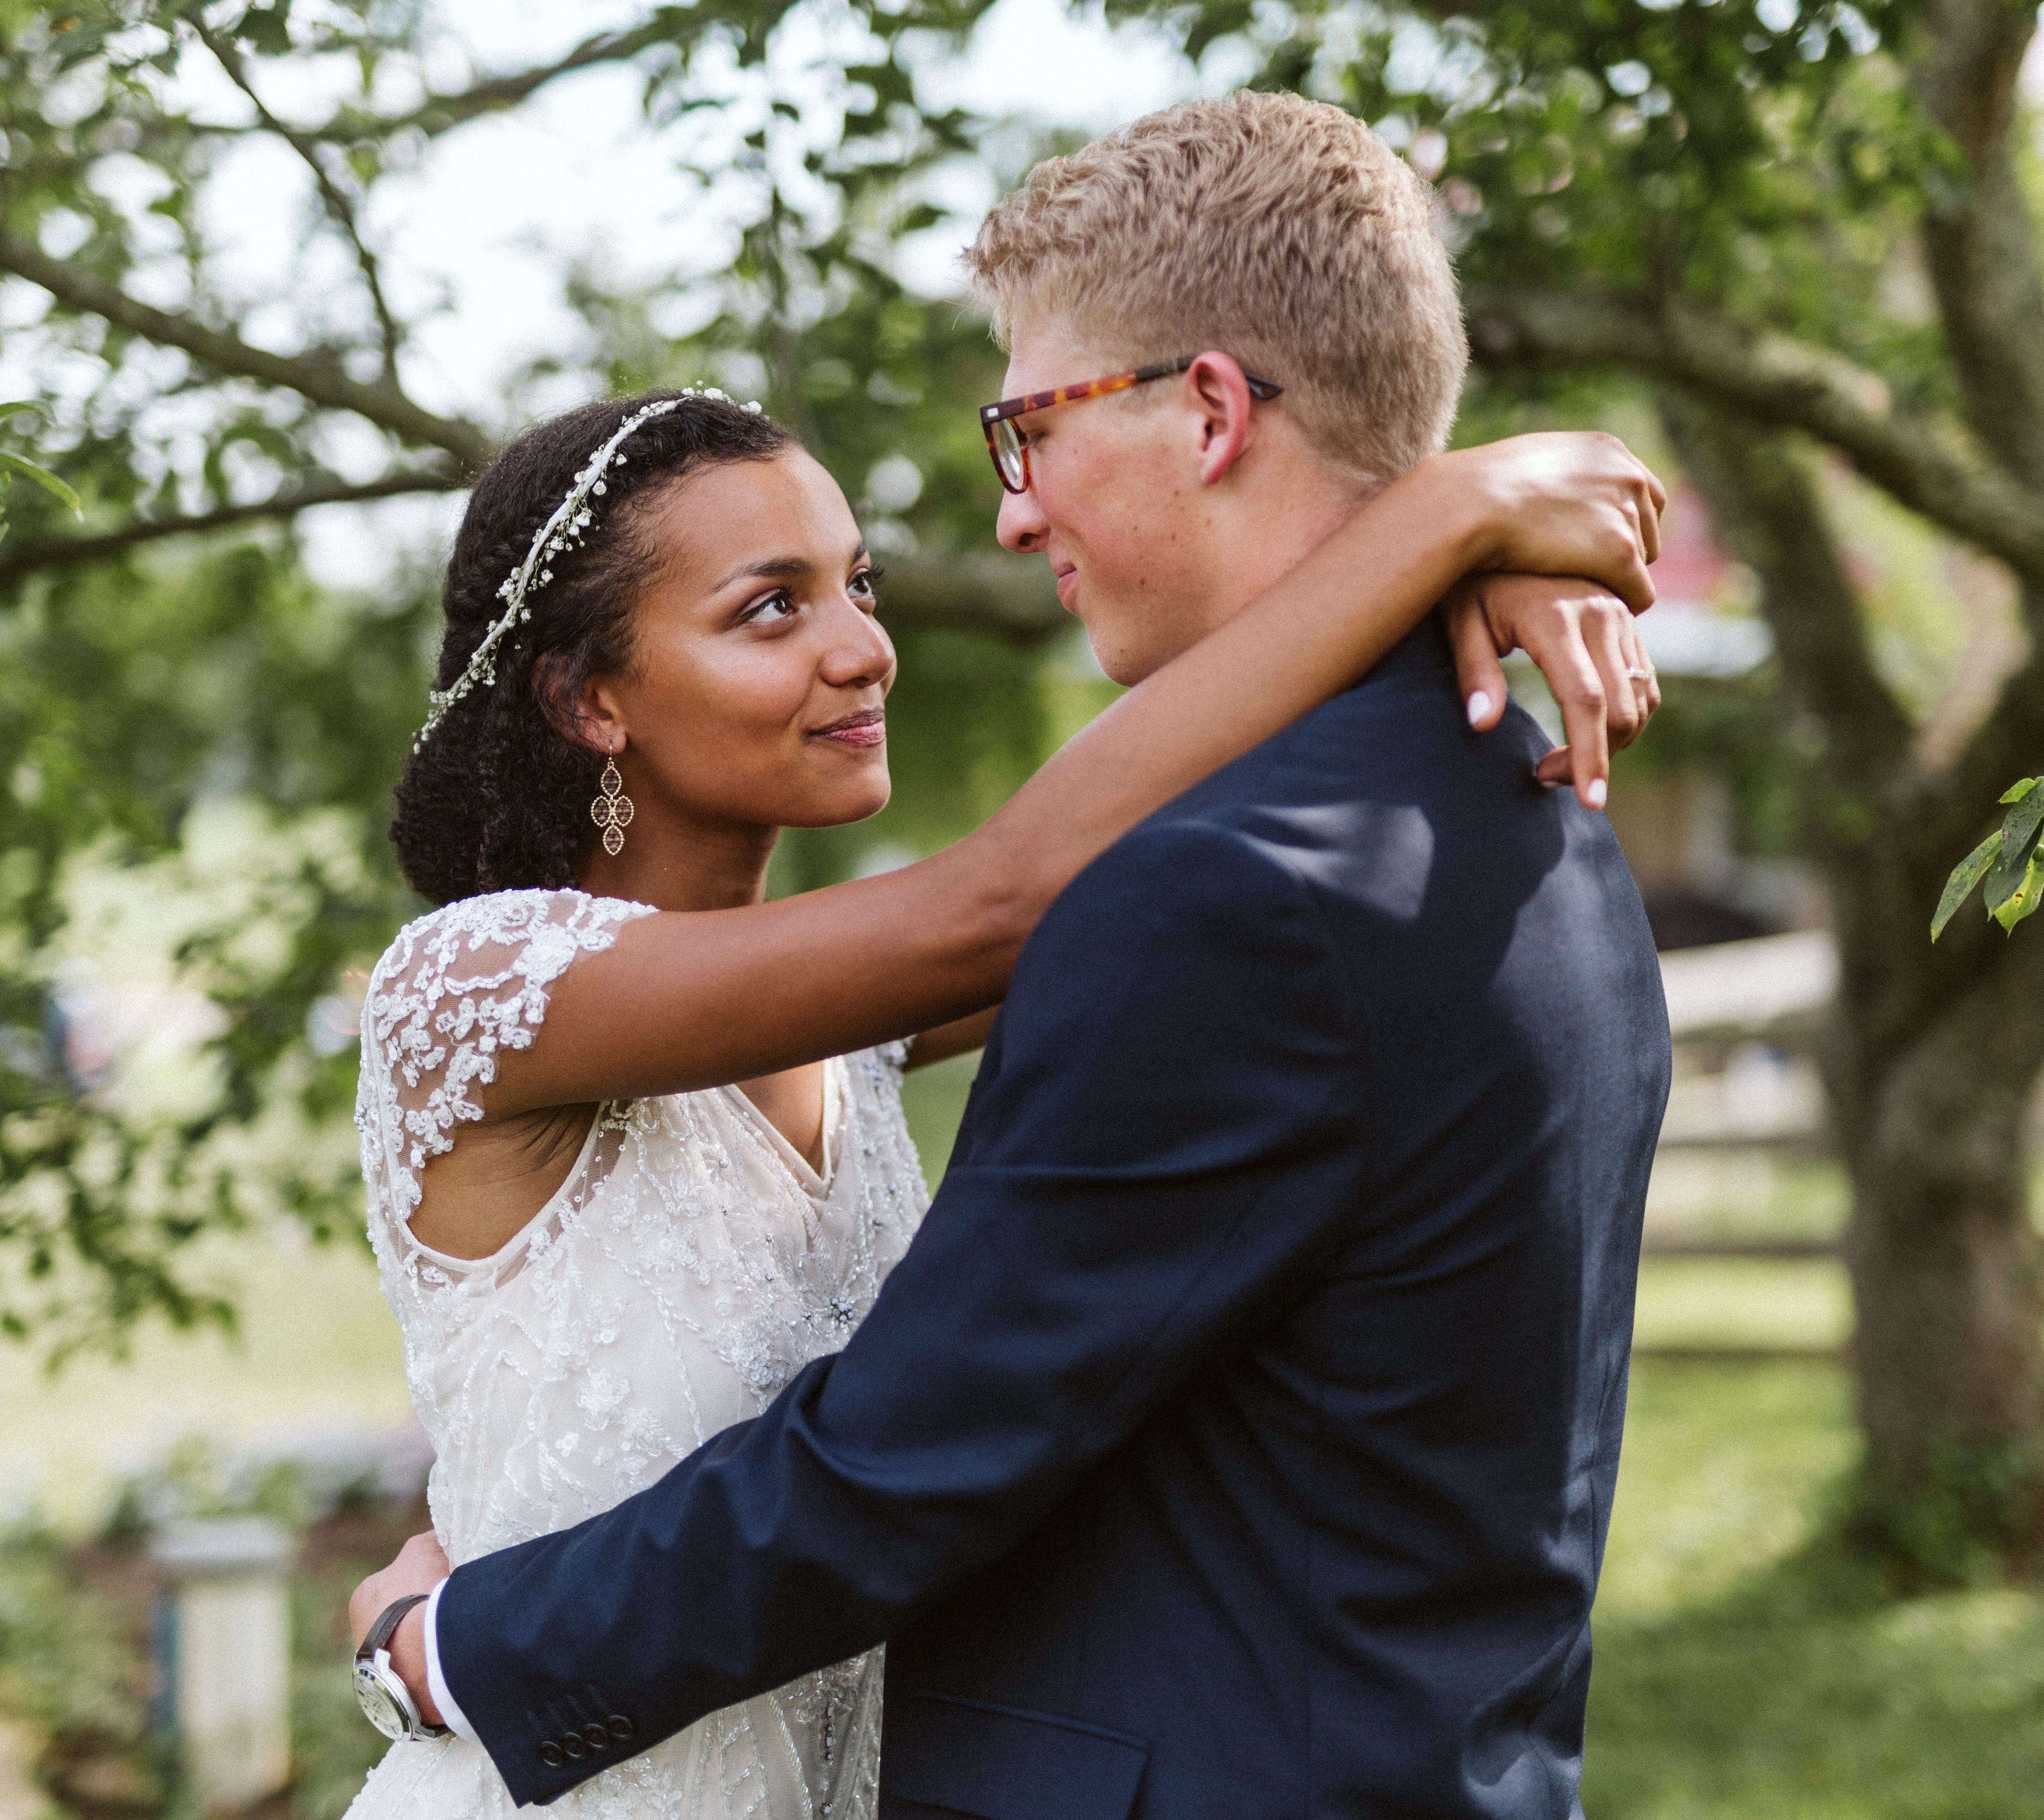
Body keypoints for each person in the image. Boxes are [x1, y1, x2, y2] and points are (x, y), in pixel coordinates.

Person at [341, 93, 1667, 1820]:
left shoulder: (918, 1005)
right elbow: (1014, 898)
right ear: (590, 696)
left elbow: (1061, 902)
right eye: (771, 608)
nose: (869, 647)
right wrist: (1441, 525)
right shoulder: (472, 991)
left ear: (1206, 410)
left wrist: (1450, 567)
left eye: (858, 584)